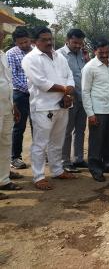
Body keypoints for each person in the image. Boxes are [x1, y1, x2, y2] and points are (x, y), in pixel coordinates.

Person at [21, 27, 76, 190]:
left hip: (63, 104)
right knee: (40, 143)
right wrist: (65, 89)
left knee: (57, 141)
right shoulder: (30, 59)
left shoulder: (59, 56)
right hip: (43, 107)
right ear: (34, 42)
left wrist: (68, 93)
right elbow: (41, 83)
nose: (49, 42)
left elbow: (70, 76)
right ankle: (38, 176)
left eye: (50, 39)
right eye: (44, 39)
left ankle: (57, 170)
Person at [82, 38, 109, 182]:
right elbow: (85, 92)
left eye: (107, 52)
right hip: (98, 110)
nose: (105, 55)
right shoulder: (89, 67)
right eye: (101, 52)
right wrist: (90, 113)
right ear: (95, 51)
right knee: (96, 141)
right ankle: (95, 168)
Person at [56, 28, 88, 173]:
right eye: (75, 43)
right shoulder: (59, 55)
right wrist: (65, 95)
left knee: (80, 129)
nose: (77, 46)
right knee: (67, 130)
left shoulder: (82, 54)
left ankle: (78, 159)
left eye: (80, 43)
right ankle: (65, 161)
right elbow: (57, 77)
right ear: (67, 40)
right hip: (69, 98)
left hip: (83, 97)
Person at [0, 26, 23, 198]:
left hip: (6, 106)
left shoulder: (2, 54)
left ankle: (3, 179)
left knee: (5, 143)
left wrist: (13, 104)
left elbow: (8, 82)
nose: (2, 35)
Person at [6, 27, 32, 170]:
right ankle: (15, 157)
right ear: (15, 42)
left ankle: (41, 154)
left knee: (39, 125)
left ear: (30, 39)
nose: (23, 45)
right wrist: (30, 89)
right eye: (20, 43)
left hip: (38, 95)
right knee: (19, 126)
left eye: (25, 42)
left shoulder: (37, 51)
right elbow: (12, 77)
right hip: (20, 95)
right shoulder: (11, 54)